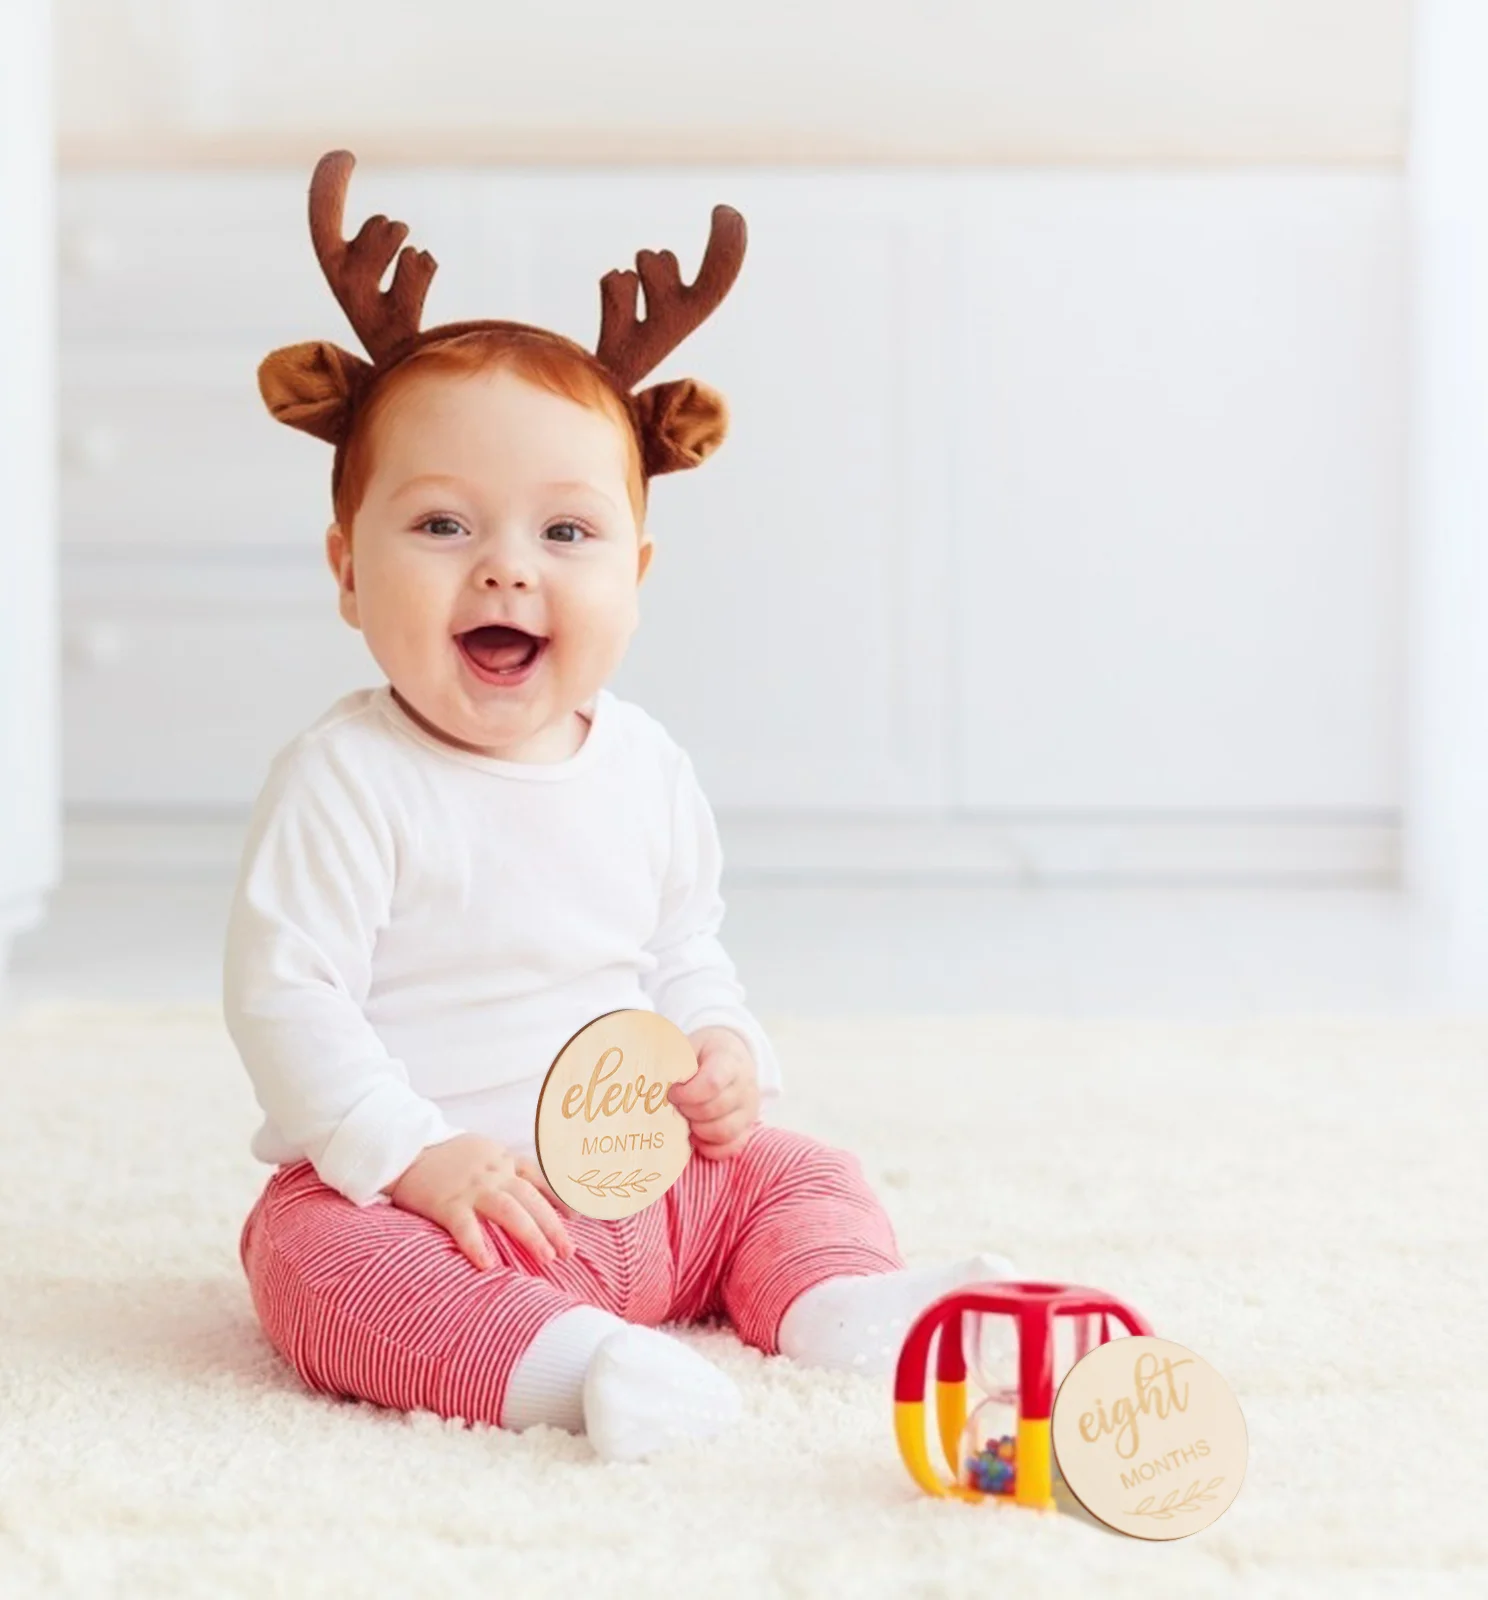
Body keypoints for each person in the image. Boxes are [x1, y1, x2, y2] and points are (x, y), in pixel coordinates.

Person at [225, 150, 1012, 1463]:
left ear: (636, 574)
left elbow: (682, 946)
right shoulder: (346, 781)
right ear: (346, 569)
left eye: (566, 535)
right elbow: (287, 1001)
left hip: (649, 1180)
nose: (505, 571)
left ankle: (840, 1304)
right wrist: (416, 1158)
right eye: (440, 527)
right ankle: (575, 1365)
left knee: (796, 1171)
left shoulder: (642, 765)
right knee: (309, 1260)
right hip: (445, 1209)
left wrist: (721, 1048)